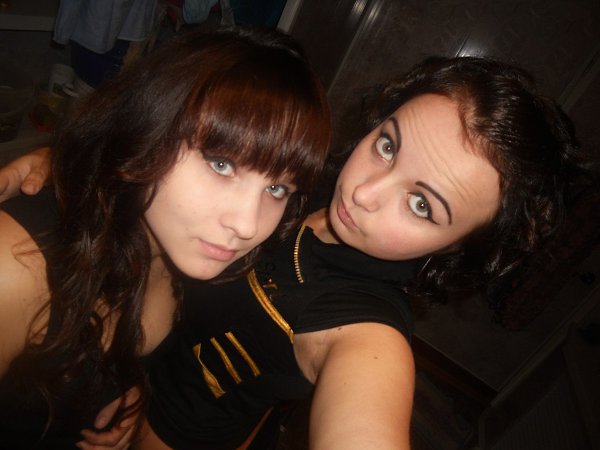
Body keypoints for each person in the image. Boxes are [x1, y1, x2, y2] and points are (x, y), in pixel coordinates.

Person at [2, 56, 596, 450]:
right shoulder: (307, 177)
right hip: (119, 381)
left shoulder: (365, 332)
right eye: (388, 145)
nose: (363, 193)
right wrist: (64, 162)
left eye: (422, 205)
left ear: (459, 248)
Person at [0, 26, 330, 449]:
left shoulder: (194, 256)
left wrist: (136, 385)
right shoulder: (16, 265)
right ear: (149, 129)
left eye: (278, 188)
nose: (248, 226)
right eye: (222, 164)